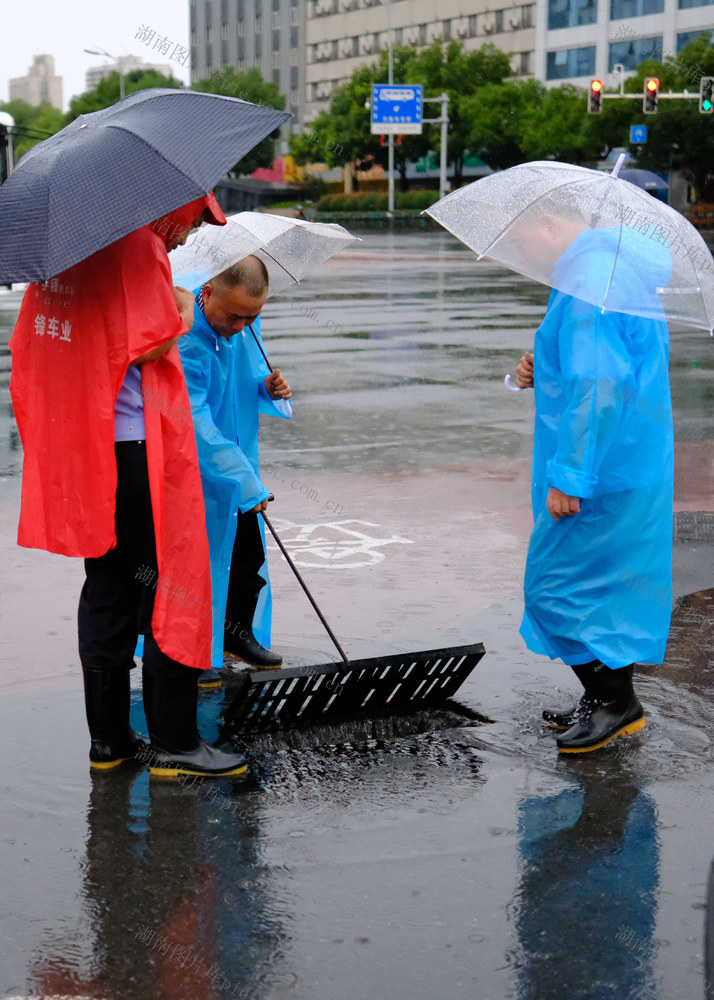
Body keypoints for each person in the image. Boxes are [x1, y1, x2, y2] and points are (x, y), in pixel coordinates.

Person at [10, 194, 249, 778]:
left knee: (109, 585)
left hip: (92, 449)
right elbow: (150, 344)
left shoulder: (67, 253)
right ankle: (175, 742)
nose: (188, 238)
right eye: (190, 222)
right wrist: (181, 310)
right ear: (168, 205)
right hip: (141, 448)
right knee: (171, 583)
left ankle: (110, 741)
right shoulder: (137, 246)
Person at [513, 207, 674, 753]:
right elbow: (600, 365)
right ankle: (604, 698)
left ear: (552, 223)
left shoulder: (588, 278)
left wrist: (571, 477)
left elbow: (600, 382)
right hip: (628, 463)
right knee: (607, 587)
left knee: (551, 586)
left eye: (525, 240)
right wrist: (543, 361)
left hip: (600, 472)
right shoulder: (611, 268)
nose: (526, 255)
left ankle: (615, 702)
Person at [177, 255, 292, 678]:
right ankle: (188, 651)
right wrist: (243, 479)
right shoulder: (186, 335)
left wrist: (266, 387)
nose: (242, 326)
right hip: (197, 466)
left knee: (246, 553)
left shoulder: (242, 327)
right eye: (234, 316)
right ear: (205, 294)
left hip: (237, 456)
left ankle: (235, 633)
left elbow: (246, 377)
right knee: (195, 564)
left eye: (253, 316)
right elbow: (193, 421)